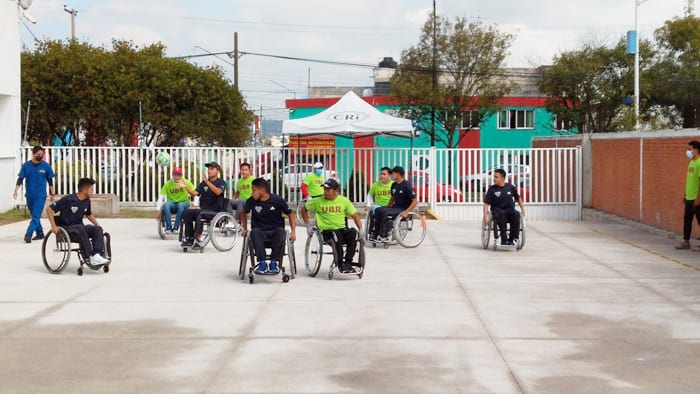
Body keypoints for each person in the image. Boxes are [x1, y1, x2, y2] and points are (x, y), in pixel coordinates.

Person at [302, 179, 363, 274]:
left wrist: (361, 229)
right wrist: (308, 225)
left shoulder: (344, 201)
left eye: (328, 189)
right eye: (324, 189)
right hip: (327, 231)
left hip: (342, 229)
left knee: (353, 233)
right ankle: (340, 264)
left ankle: (348, 263)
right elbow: (304, 210)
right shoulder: (318, 201)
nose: (325, 192)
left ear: (335, 191)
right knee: (336, 234)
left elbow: (355, 215)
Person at [46, 178, 110, 266]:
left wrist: (97, 225)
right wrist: (53, 226)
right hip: (67, 230)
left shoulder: (87, 201)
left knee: (97, 229)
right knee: (80, 228)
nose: (93, 191)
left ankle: (96, 254)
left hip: (79, 229)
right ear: (85, 190)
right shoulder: (68, 199)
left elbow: (89, 214)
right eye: (91, 189)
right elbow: (49, 209)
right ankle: (90, 256)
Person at [240, 178, 296, 274]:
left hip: (275, 232)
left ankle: (274, 263)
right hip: (259, 233)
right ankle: (262, 263)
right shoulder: (252, 201)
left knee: (281, 231)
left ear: (262, 190)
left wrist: (293, 232)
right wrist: (244, 228)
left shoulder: (277, 200)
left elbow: (290, 214)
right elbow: (243, 212)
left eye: (254, 190)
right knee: (254, 232)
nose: (252, 192)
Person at [13, 146, 55, 243]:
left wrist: (52, 194)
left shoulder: (46, 166)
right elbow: (20, 179)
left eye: (42, 155)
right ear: (33, 154)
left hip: (40, 196)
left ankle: (28, 234)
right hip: (30, 195)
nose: (40, 156)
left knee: (35, 215)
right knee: (34, 215)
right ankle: (40, 233)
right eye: (38, 154)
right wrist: (16, 190)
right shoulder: (26, 166)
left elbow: (50, 181)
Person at [180, 162, 227, 248]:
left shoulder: (221, 182)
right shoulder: (203, 183)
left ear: (218, 170)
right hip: (203, 210)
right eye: (208, 169)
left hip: (215, 212)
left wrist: (207, 182)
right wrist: (185, 186)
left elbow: (218, 192)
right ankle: (189, 237)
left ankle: (197, 238)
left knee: (201, 215)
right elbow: (194, 194)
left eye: (212, 169)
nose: (209, 171)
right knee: (186, 212)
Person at [372, 166, 417, 240]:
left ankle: (383, 234)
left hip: (403, 209)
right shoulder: (394, 185)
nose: (391, 175)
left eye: (393, 173)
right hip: (395, 207)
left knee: (384, 212)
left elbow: (415, 201)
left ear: (398, 174)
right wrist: (387, 207)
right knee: (378, 210)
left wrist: (407, 211)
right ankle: (376, 233)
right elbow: (392, 198)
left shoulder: (407, 185)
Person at [483, 169, 526, 246]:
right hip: (497, 210)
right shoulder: (492, 189)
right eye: (494, 177)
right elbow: (486, 203)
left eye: (496, 177)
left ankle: (512, 239)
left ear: (502, 178)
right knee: (501, 214)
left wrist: (522, 209)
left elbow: (518, 198)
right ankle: (504, 239)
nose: (494, 179)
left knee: (516, 214)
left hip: (509, 210)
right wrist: (485, 216)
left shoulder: (510, 187)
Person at [677, 140, 700, 250]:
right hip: (689, 197)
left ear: (696, 150)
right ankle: (686, 242)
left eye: (690, 149)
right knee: (687, 220)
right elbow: (691, 180)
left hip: (696, 198)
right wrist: (686, 194)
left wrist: (698, 198)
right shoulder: (691, 162)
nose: (688, 152)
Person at [158, 167, 195, 233]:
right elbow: (161, 197)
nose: (177, 177)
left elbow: (196, 192)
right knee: (166, 204)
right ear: (173, 175)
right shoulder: (168, 184)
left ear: (181, 175)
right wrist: (158, 210)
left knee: (180, 205)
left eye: (179, 175)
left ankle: (176, 227)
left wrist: (195, 203)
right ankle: (168, 227)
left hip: (184, 203)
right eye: (175, 175)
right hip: (172, 204)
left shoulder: (185, 182)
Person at [366, 167, 393, 238]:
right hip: (378, 206)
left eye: (384, 174)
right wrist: (368, 204)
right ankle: (374, 231)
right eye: (381, 174)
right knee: (375, 209)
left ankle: (385, 231)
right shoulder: (376, 185)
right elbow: (369, 195)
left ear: (389, 175)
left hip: (389, 206)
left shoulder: (393, 185)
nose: (382, 176)